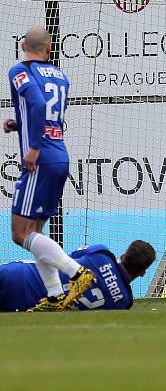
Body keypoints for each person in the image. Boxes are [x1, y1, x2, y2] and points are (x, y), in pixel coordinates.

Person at [3, 27, 95, 312]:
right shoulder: (60, 76)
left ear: (21, 45)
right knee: (37, 232)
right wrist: (20, 124)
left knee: (20, 234)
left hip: (40, 159)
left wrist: (33, 146)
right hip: (58, 155)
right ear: (50, 48)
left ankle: (77, 273)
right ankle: (55, 295)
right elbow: (52, 114)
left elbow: (39, 103)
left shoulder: (19, 71)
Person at [0, 240, 156, 312]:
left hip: (19, 275)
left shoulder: (102, 254)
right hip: (28, 305)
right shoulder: (123, 302)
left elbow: (66, 258)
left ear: (123, 256)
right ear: (143, 272)